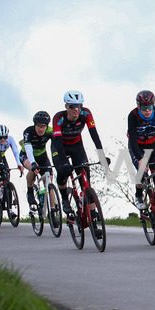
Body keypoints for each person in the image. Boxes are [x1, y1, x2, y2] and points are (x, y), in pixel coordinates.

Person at [50, 91, 106, 220]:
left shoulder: (86, 113)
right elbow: (57, 142)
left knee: (85, 179)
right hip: (60, 146)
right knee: (63, 172)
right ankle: (64, 198)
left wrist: (101, 156)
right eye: (72, 106)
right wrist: (64, 163)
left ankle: (92, 215)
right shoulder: (59, 118)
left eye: (79, 106)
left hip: (76, 145)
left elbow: (94, 134)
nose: (76, 110)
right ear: (66, 107)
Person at [21, 111, 53, 212]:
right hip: (26, 155)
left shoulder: (50, 131)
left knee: (50, 183)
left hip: (42, 156)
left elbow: (57, 144)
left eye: (43, 126)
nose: (41, 129)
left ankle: (53, 211)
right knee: (32, 167)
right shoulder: (28, 131)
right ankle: (30, 192)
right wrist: (33, 163)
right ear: (35, 125)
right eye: (38, 126)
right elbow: (28, 149)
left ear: (46, 126)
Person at [0, 124, 23, 207]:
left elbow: (15, 151)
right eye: (0, 137)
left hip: (1, 158)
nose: (3, 139)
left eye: (5, 137)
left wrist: (19, 163)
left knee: (7, 178)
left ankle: (9, 207)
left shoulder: (10, 139)